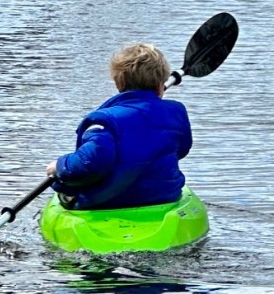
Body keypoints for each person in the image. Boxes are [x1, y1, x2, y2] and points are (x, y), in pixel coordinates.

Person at [46, 42, 192, 210]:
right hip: (164, 197)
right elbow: (181, 149)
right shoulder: (176, 111)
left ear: (118, 83)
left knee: (65, 184)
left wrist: (59, 166)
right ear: (161, 86)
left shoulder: (103, 120)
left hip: (108, 203)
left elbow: (90, 163)